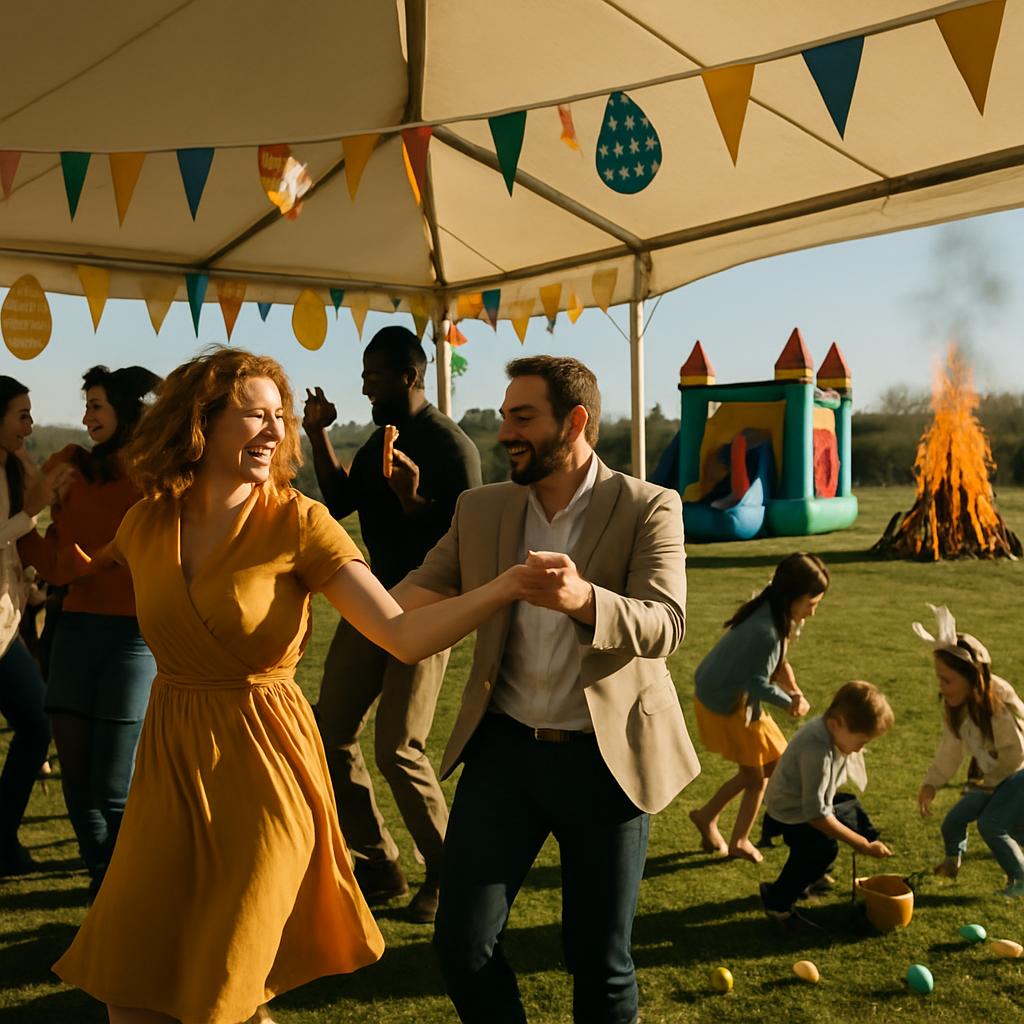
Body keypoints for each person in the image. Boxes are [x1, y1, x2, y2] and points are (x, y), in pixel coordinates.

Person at [52, 347, 539, 1024]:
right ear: (201, 423)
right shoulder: (145, 523)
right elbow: (92, 561)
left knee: (226, 983)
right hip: (170, 770)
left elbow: (400, 632)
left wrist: (505, 587)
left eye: (279, 418)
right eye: (256, 415)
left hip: (265, 770)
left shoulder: (299, 522)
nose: (275, 432)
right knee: (132, 990)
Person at [393, 355, 701, 1024]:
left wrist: (584, 598)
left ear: (576, 422)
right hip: (503, 753)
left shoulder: (649, 506)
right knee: (461, 942)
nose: (506, 431)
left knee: (598, 957)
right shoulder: (480, 510)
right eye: (505, 416)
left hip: (605, 758)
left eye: (523, 417)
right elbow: (406, 600)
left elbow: (667, 625)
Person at [304, 325, 482, 922]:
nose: (363, 386)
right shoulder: (382, 436)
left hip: (429, 610)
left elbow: (471, 549)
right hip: (372, 604)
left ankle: (452, 873)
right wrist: (317, 434)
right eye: (363, 375)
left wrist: (413, 500)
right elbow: (338, 503)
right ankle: (379, 862)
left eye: (373, 376)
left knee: (398, 749)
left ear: (409, 376)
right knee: (328, 734)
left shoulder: (453, 448)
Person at [19, 365, 161, 899]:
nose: (85, 417)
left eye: (96, 405)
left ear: (124, 408)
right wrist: (39, 520)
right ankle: (104, 880)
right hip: (74, 630)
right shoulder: (69, 465)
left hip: (133, 638)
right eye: (86, 407)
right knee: (76, 780)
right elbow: (40, 538)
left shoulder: (156, 472)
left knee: (113, 785)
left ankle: (129, 887)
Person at [687, 554, 825, 863]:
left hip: (727, 698)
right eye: (812, 604)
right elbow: (757, 683)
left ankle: (708, 817)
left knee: (770, 766)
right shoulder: (767, 630)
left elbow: (778, 664)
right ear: (793, 597)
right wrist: (789, 703)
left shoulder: (772, 610)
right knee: (757, 777)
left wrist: (795, 690)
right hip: (726, 704)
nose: (813, 613)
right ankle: (737, 839)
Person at [0, 376, 74, 876]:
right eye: (22, 415)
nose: (31, 424)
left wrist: (29, 584)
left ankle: (3, 839)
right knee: (36, 721)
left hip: (4, 626)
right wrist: (34, 508)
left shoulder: (7, 466)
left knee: (35, 722)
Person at [760, 680, 894, 925]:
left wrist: (863, 836)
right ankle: (777, 902)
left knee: (849, 804)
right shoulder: (816, 751)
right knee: (819, 849)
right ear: (836, 723)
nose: (861, 749)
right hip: (792, 812)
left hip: (805, 803)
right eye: (862, 741)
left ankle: (815, 873)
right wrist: (862, 845)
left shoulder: (831, 731)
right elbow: (816, 815)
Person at [913, 605, 1024, 898]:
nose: (941, 686)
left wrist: (989, 787)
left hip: (1018, 774)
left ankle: (1021, 879)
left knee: (992, 824)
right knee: (954, 821)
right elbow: (950, 749)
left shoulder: (998, 704)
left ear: (973, 677)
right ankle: (953, 862)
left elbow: (1016, 753)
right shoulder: (956, 707)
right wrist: (931, 783)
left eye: (947, 679)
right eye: (939, 677)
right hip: (991, 778)